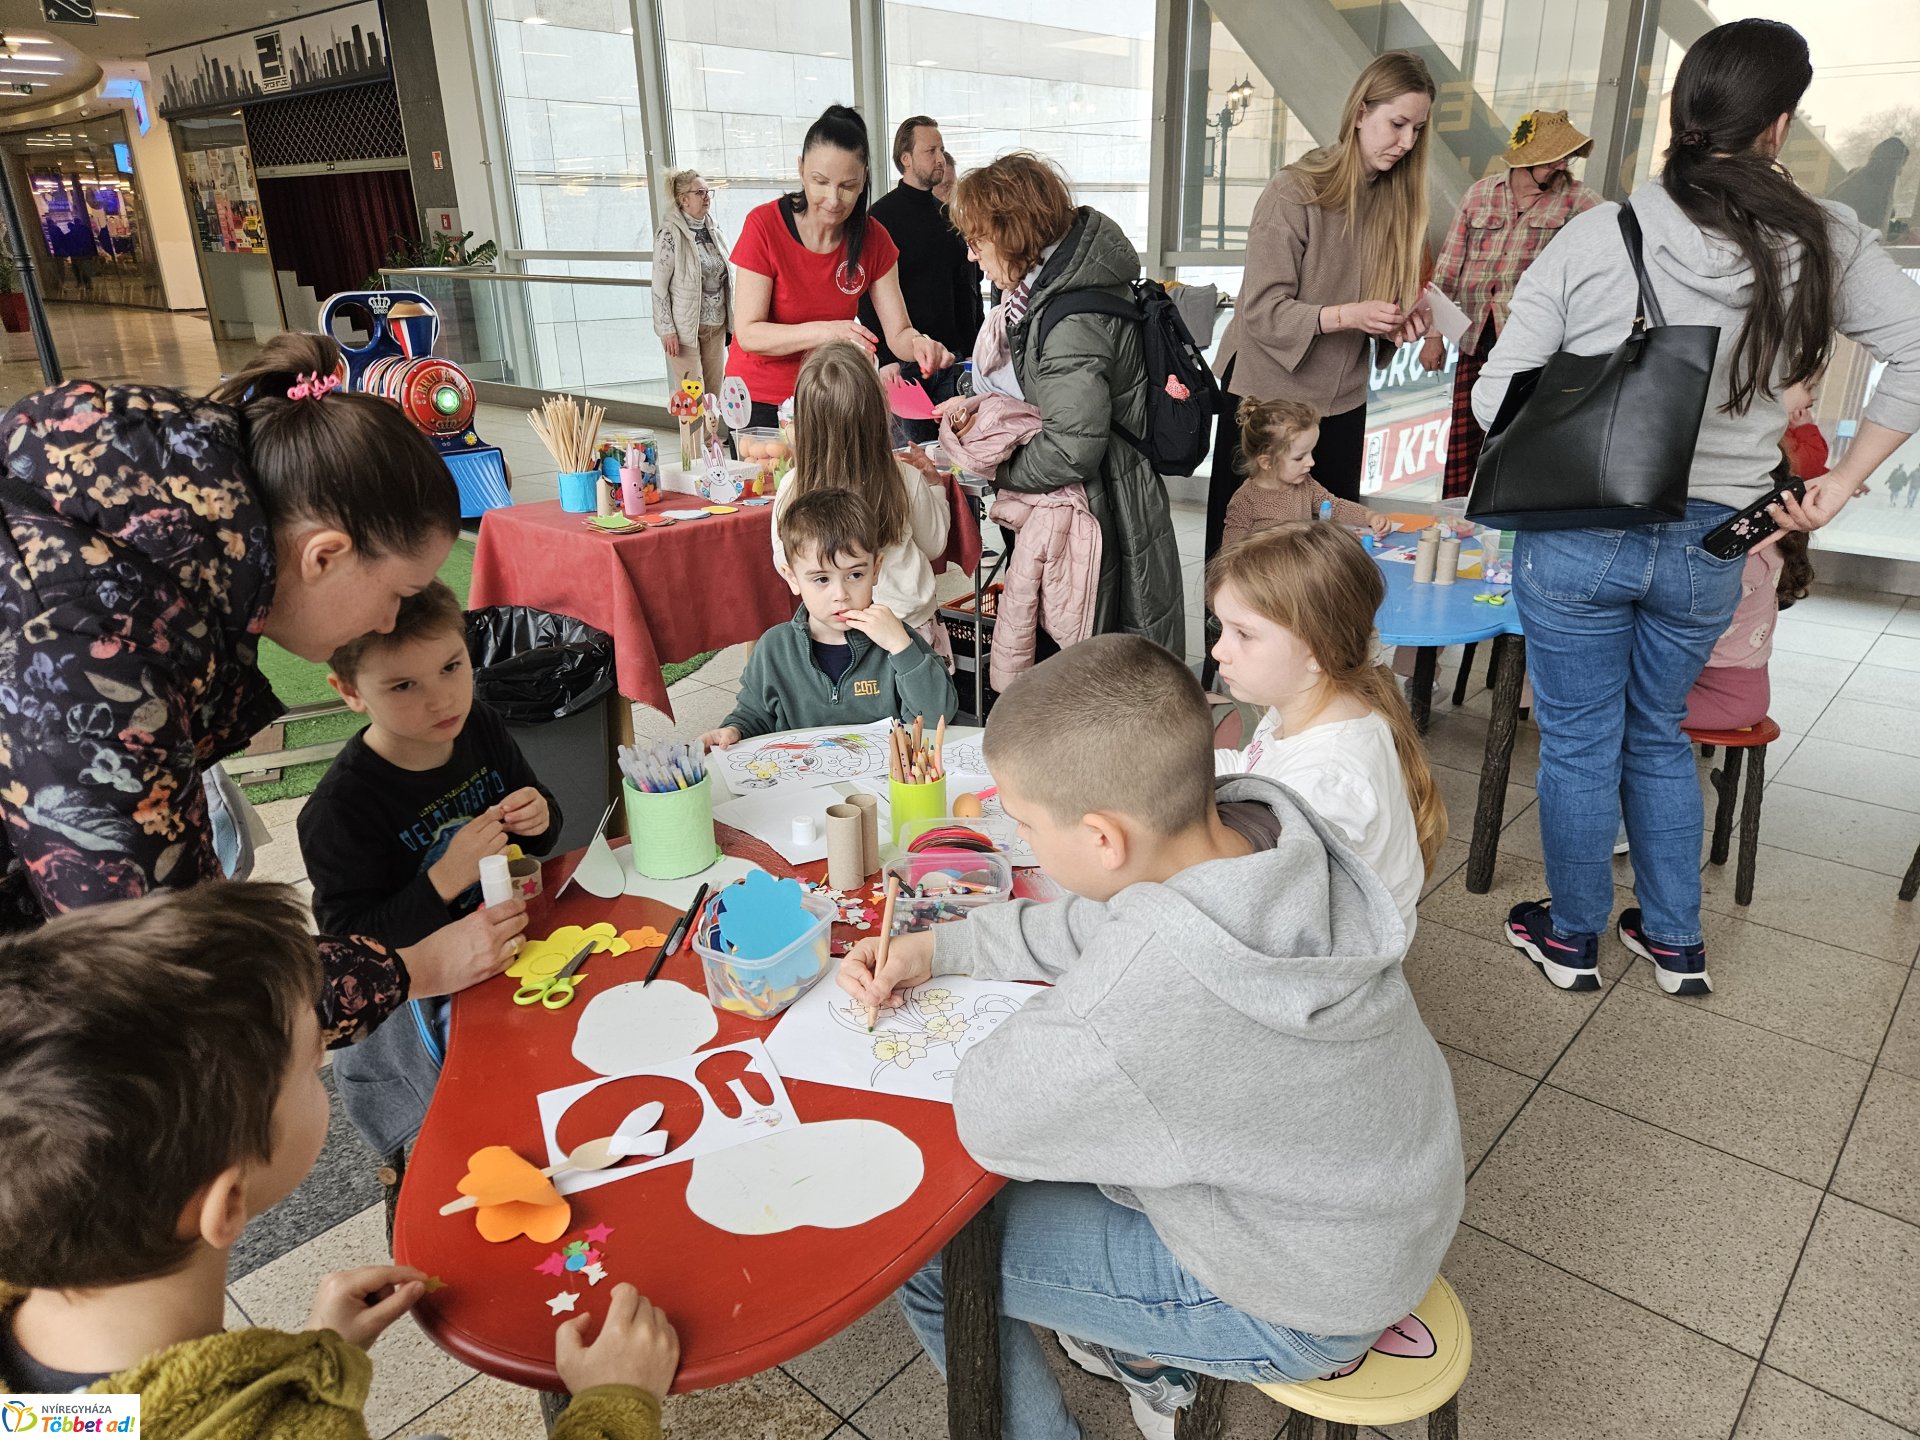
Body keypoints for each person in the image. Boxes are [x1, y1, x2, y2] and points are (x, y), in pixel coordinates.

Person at [839, 635, 1463, 1440]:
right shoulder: (1259, 830)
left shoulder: (1142, 1000)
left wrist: (1070, 1025)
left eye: (1026, 825)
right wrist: (944, 946)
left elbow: (991, 1116)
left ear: (1102, 839)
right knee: (1088, 1160)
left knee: (929, 1253)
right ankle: (1133, 1345)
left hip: (1301, 1299)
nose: (1024, 841)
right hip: (1382, 1212)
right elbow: (1109, 919)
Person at [1474, 18, 1920, 997]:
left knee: (1582, 741)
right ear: (1779, 123)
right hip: (1714, 542)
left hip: (1579, 535)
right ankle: (1675, 939)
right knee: (1659, 728)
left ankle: (1572, 936)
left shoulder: (1601, 232)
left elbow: (1490, 402)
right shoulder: (1825, 235)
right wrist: (1836, 487)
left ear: (1681, 116)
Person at [0, 332, 527, 1046]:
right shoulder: (92, 672)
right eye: (398, 595)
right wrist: (409, 968)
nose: (390, 620)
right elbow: (171, 979)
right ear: (324, 555)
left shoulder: (159, 475)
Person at [0, 882, 677, 1437]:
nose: (326, 1061)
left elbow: (95, 1420)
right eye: (310, 1063)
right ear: (227, 1204)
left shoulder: (52, 1404)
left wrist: (322, 1355)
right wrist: (612, 1404)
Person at [298, 581, 563, 1157]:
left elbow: (545, 824)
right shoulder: (338, 812)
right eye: (403, 686)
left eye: (451, 667)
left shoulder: (481, 725)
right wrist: (447, 877)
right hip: (427, 1005)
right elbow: (355, 953)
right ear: (349, 692)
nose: (442, 699)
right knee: (484, 1132)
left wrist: (539, 815)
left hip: (514, 950)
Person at [946, 152, 1183, 659]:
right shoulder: (1061, 288)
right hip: (1116, 496)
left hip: (1104, 509)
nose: (971, 256)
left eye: (976, 240)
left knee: (1094, 662)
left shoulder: (1068, 318)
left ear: (1012, 232)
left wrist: (999, 470)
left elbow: (1072, 449)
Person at [1207, 52, 1436, 563]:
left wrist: (1396, 326)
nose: (1407, 142)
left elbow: (1375, 310)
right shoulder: (1293, 192)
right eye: (1397, 124)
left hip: (1342, 405)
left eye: (1418, 129)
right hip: (1266, 402)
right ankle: (1230, 642)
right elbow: (1262, 311)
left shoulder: (1394, 204)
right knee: (1247, 561)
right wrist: (1349, 315)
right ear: (1359, 113)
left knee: (1323, 563)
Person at [1208, 523, 1444, 935]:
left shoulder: (1327, 780)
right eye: (1221, 628)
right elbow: (1253, 765)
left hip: (1339, 955)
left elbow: (1273, 908)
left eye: (1244, 634)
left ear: (1321, 651)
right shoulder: (1301, 706)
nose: (1217, 650)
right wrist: (1172, 767)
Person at [726, 105, 954, 426]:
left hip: (829, 396)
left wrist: (919, 345)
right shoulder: (764, 225)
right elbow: (749, 333)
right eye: (820, 182)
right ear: (801, 169)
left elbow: (899, 332)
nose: (833, 199)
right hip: (760, 396)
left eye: (847, 186)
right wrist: (828, 331)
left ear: (863, 182)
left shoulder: (873, 238)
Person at [1422, 109, 1601, 500]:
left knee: (1516, 434)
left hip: (1531, 340)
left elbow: (1603, 262)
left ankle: (1505, 513)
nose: (1560, 165)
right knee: (1465, 433)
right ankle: (1458, 514)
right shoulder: (1480, 194)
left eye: (1565, 157)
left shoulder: (1581, 202)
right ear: (1529, 159)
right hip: (1474, 336)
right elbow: (1448, 267)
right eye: (1553, 157)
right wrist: (1432, 336)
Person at [701, 489, 957, 750]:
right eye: (822, 579)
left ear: (876, 570)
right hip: (800, 785)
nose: (841, 595)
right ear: (792, 578)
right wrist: (733, 730)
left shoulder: (899, 640)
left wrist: (902, 649)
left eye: (855, 575)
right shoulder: (774, 649)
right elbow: (753, 717)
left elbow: (936, 718)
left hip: (885, 785)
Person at [770, 342, 952, 658]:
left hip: (835, 634)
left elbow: (783, 559)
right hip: (909, 629)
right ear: (878, 413)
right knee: (923, 703)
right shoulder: (903, 476)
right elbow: (934, 544)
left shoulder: (791, 488)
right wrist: (935, 485)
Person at [858, 117, 979, 369]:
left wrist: (970, 349)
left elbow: (964, 289)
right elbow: (865, 296)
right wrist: (886, 358)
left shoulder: (948, 216)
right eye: (930, 151)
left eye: (942, 150)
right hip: (903, 361)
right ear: (906, 159)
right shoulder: (880, 218)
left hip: (950, 357)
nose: (940, 159)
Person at [1220, 398, 1392, 547]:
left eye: (1311, 453)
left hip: (1302, 573)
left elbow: (1334, 506)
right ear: (1266, 462)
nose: (1311, 462)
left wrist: (1368, 516)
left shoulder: (1306, 484)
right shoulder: (1245, 501)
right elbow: (1231, 552)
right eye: (1299, 458)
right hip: (1266, 580)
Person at [652, 168, 732, 401]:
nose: (706, 197)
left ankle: (711, 438)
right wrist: (666, 329)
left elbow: (729, 275)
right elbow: (659, 287)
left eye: (708, 192)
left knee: (713, 396)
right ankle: (694, 440)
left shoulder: (714, 230)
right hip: (685, 329)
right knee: (693, 397)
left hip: (715, 326)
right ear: (683, 200)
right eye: (700, 192)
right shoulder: (669, 234)